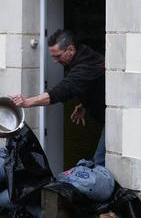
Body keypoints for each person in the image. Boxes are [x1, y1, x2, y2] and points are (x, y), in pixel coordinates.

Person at [10, 29, 106, 165]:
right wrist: (85, 103)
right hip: (102, 113)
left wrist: (26, 102)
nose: (55, 61)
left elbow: (61, 91)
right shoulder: (81, 56)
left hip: (116, 117)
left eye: (58, 56)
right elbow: (91, 83)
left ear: (71, 49)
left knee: (100, 161)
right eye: (53, 57)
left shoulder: (86, 65)